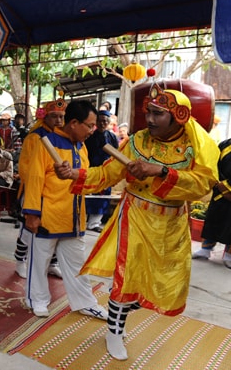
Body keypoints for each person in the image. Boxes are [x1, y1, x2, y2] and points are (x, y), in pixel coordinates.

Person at [54, 85, 219, 361]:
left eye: (158, 114)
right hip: (136, 218)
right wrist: (73, 174)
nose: (150, 120)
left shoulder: (197, 144)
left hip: (171, 226)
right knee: (126, 277)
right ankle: (114, 331)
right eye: (149, 113)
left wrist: (160, 170)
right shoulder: (138, 141)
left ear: (177, 117)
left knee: (161, 285)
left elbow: (203, 186)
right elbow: (108, 173)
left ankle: (120, 308)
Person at [21, 99, 108, 323]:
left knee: (77, 264)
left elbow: (86, 177)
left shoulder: (81, 146)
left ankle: (85, 302)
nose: (92, 130)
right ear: (74, 123)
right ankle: (37, 300)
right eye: (89, 125)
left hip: (74, 216)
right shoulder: (46, 142)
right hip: (48, 215)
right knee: (39, 262)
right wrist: (32, 213)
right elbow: (34, 178)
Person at [14, 99, 67, 279]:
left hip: (56, 192)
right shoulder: (35, 136)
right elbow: (25, 167)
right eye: (54, 117)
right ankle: (20, 260)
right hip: (35, 190)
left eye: (61, 117)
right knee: (27, 230)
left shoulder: (62, 136)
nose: (59, 121)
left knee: (52, 230)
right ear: (46, 117)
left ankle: (52, 263)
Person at [192, 137, 231, 268]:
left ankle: (229, 254)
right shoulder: (225, 144)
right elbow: (214, 165)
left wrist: (228, 188)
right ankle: (206, 249)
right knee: (214, 218)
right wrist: (220, 185)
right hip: (219, 191)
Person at [84, 110, 119, 232]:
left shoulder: (112, 137)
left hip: (106, 172)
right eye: (100, 120)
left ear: (108, 122)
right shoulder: (89, 135)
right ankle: (83, 220)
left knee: (102, 199)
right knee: (87, 196)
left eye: (105, 121)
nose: (102, 123)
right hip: (91, 170)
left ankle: (94, 223)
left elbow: (116, 154)